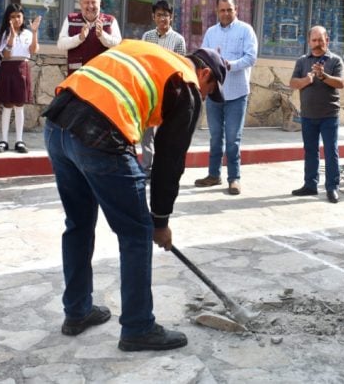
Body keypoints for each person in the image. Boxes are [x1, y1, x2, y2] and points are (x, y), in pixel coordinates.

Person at [42, 40, 227, 351]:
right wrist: (159, 221)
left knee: (78, 224)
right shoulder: (187, 82)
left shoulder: (148, 52)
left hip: (57, 126)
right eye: (211, 89)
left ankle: (77, 312)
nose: (207, 96)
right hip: (97, 135)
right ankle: (138, 327)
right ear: (204, 72)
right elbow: (170, 159)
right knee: (137, 233)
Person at [194, 0, 258, 195]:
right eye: (222, 10)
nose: (226, 13)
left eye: (229, 9)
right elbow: (202, 57)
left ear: (236, 10)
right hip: (215, 93)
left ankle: (234, 178)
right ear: (216, 11)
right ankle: (214, 175)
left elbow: (251, 57)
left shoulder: (246, 30)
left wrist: (230, 64)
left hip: (237, 93)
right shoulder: (211, 33)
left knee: (232, 139)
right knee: (215, 137)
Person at [289, 26, 344, 204]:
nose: (317, 44)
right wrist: (307, 79)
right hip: (308, 115)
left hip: (329, 115)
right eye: (314, 40)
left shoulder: (335, 61)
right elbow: (292, 83)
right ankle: (310, 185)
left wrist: (323, 76)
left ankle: (332, 188)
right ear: (309, 41)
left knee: (330, 151)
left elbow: (341, 83)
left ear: (327, 40)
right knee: (311, 151)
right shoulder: (302, 61)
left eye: (321, 40)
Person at [140, 0, 187, 178]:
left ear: (171, 17)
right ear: (153, 17)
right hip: (150, 91)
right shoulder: (147, 37)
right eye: (159, 15)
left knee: (166, 134)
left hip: (169, 92)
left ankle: (162, 170)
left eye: (166, 15)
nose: (163, 18)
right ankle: (146, 169)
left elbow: (180, 68)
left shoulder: (178, 40)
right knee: (147, 133)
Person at [0, 3, 40, 154]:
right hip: (7, 68)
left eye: (18, 16)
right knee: (7, 105)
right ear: (8, 18)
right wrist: (11, 37)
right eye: (12, 16)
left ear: (23, 17)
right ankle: (4, 140)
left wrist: (34, 32)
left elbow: (32, 51)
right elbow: (5, 55)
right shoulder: (4, 34)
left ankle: (19, 140)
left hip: (22, 68)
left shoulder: (28, 33)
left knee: (19, 105)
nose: (16, 19)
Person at [57, 0, 122, 75]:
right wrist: (79, 38)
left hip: (101, 76)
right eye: (86, 2)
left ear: (100, 2)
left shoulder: (110, 21)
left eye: (93, 2)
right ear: (80, 3)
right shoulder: (71, 19)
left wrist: (102, 36)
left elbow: (118, 46)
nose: (90, 6)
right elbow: (60, 45)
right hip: (76, 77)